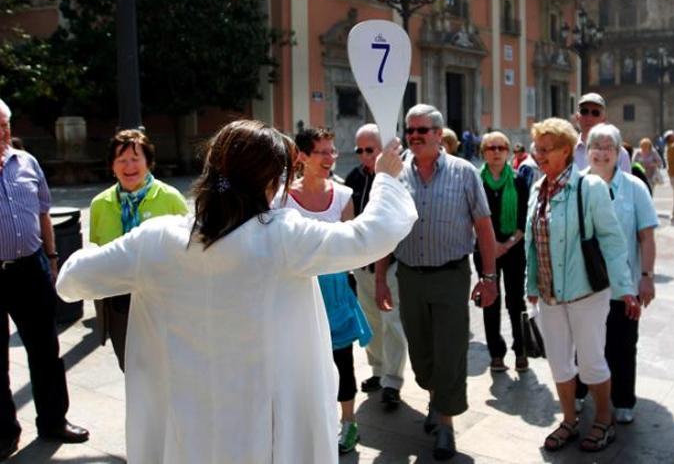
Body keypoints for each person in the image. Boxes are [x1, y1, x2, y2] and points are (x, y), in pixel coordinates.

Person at [57, 119, 417, 463]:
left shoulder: (155, 241)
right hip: (265, 429)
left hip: (188, 423)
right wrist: (385, 178)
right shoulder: (282, 238)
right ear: (271, 183)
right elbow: (370, 236)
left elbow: (71, 280)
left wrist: (112, 254)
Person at [374, 104, 497, 461]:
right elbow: (385, 231)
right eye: (409, 131)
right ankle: (434, 396)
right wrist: (381, 278)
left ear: (439, 135)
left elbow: (484, 228)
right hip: (410, 277)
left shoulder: (464, 173)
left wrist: (489, 278)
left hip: (451, 276)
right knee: (422, 355)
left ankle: (445, 424)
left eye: (421, 131)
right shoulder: (397, 177)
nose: (414, 136)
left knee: (450, 352)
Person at [525, 118, 635, 453]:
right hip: (549, 294)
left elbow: (613, 241)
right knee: (559, 361)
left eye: (545, 149)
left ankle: (604, 419)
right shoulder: (536, 188)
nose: (538, 154)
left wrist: (626, 288)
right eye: (537, 148)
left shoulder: (590, 188)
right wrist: (531, 284)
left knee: (590, 361)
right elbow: (532, 242)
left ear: (566, 151)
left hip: (586, 292)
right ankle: (569, 419)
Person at [0, 98, 89, 460]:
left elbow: (43, 214)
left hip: (30, 266)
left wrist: (51, 257)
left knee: (45, 349)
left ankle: (54, 421)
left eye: (5, 125)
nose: (3, 133)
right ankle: (4, 434)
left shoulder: (27, 162)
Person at [280, 127, 375, 454]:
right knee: (302, 362)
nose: (330, 158)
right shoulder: (281, 197)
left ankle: (348, 422)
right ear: (302, 157)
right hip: (297, 290)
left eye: (333, 151)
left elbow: (350, 245)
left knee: (342, 360)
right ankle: (309, 422)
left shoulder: (344, 195)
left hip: (334, 289)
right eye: (322, 152)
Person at [89, 130, 188, 371]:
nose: (129, 166)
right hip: (120, 302)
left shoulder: (170, 198)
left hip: (164, 299)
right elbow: (99, 253)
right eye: (121, 160)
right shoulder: (100, 205)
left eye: (135, 158)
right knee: (130, 366)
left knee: (169, 366)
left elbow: (188, 250)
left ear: (149, 162)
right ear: (112, 165)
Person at [584, 124, 657, 425]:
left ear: (618, 153)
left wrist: (647, 275)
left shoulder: (634, 187)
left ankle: (623, 399)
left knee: (623, 345)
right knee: (585, 344)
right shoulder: (577, 185)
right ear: (587, 152)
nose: (601, 153)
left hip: (623, 285)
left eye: (608, 147)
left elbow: (646, 237)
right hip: (584, 285)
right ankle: (579, 395)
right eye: (596, 147)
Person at [344, 124, 408, 410]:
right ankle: (379, 371)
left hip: (391, 265)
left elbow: (390, 229)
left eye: (370, 150)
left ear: (382, 150)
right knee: (370, 320)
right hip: (362, 265)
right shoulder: (353, 177)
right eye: (359, 150)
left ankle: (393, 381)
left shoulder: (399, 178)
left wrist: (381, 273)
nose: (363, 155)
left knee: (392, 322)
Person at [476, 131, 529, 372]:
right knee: (490, 300)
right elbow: (470, 217)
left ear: (508, 152)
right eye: (491, 148)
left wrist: (505, 244)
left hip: (514, 249)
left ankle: (521, 350)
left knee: (516, 301)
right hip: (484, 251)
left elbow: (524, 219)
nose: (496, 152)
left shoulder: (518, 180)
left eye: (500, 147)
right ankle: (496, 353)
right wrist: (491, 246)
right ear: (483, 153)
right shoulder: (475, 181)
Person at [573, 93, 631, 173]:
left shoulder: (620, 154)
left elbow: (625, 184)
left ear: (603, 119)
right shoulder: (567, 150)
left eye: (595, 113)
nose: (589, 117)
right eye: (584, 111)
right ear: (577, 117)